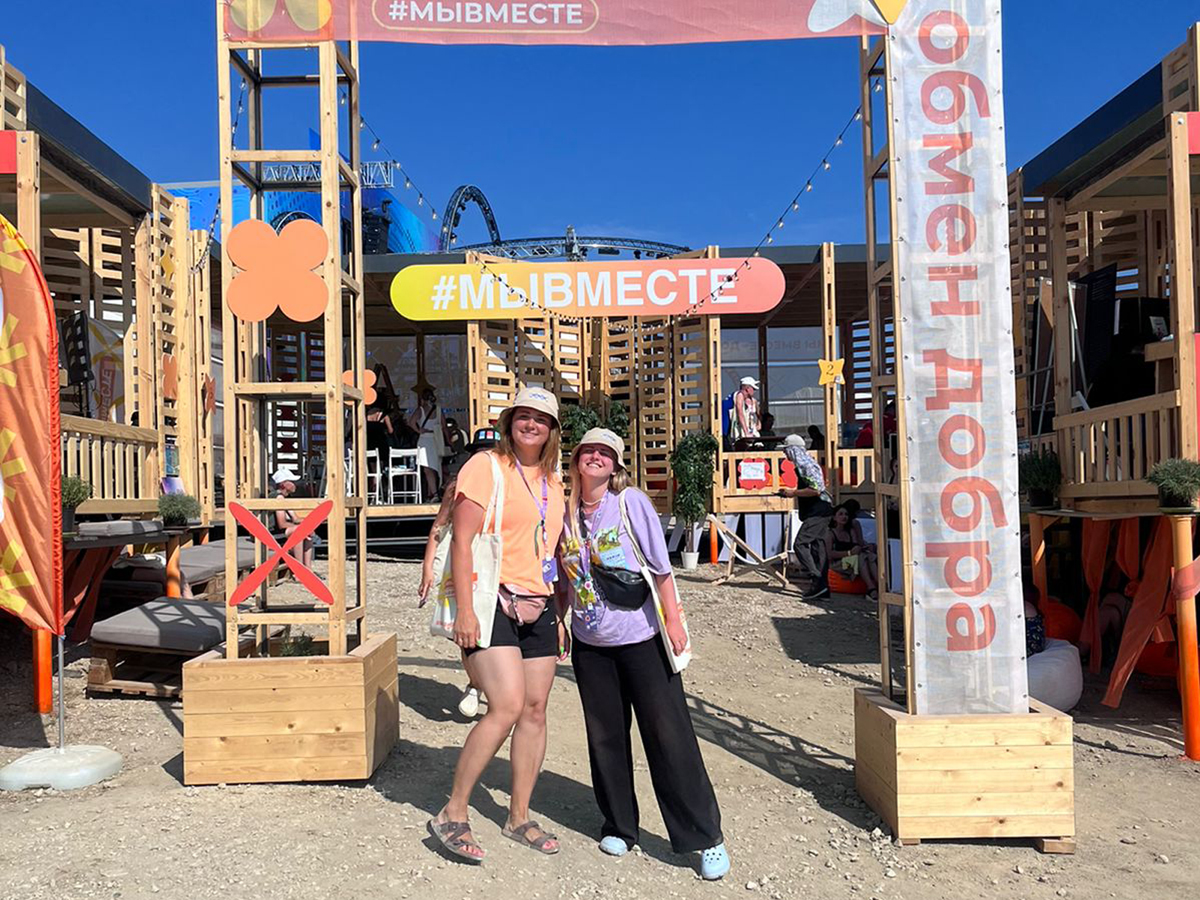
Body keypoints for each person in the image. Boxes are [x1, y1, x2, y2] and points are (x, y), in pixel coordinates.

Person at [559, 428, 728, 880]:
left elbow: (660, 566)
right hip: (591, 644)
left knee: (669, 735)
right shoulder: (564, 510)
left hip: (641, 637)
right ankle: (619, 824)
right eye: (588, 451)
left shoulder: (629, 502)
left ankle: (704, 836)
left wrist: (673, 621)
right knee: (605, 737)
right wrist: (559, 619)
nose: (595, 457)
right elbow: (562, 575)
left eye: (605, 452)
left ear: (616, 464)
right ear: (576, 459)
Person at [427, 386, 567, 863]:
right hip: (492, 602)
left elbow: (551, 552)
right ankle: (453, 811)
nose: (531, 424)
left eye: (541, 419)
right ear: (509, 423)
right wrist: (465, 611)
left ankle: (518, 816)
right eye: (523, 416)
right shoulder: (485, 467)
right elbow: (462, 541)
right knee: (505, 706)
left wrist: (560, 613)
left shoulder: (554, 481)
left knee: (535, 711)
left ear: (552, 430)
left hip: (539, 604)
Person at [418, 428, 501, 719]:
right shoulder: (459, 486)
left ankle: (489, 689)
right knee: (464, 630)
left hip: (497, 565)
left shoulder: (510, 484)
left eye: (491, 450)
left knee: (494, 629)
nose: (486, 456)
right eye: (480, 451)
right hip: (463, 564)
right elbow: (439, 526)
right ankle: (476, 683)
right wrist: (428, 568)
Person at [780, 434, 833, 600]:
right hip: (821, 510)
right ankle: (822, 589)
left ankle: (816, 577)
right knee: (818, 549)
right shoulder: (806, 463)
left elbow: (815, 490)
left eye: (786, 450)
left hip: (818, 511)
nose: (784, 454)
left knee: (800, 544)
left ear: (793, 450)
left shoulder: (805, 465)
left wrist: (793, 493)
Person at [826, 502, 878, 599]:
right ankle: (872, 587)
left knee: (868, 556)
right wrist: (848, 553)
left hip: (853, 559)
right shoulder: (830, 533)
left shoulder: (850, 531)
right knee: (861, 557)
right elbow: (829, 554)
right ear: (834, 517)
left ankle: (878, 585)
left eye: (846, 514)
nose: (844, 517)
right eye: (840, 514)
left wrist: (864, 547)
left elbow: (857, 545)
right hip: (838, 563)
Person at [409, 385, 448, 501]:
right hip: (435, 439)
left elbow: (411, 422)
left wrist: (419, 430)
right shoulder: (438, 410)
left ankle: (434, 493)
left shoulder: (421, 410)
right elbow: (444, 426)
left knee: (427, 468)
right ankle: (434, 492)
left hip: (425, 439)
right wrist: (448, 440)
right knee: (435, 467)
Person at [272, 466, 314, 569]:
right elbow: (281, 524)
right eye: (291, 481)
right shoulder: (278, 497)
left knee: (307, 531)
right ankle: (299, 569)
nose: (295, 484)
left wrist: (309, 524)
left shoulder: (286, 497)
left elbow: (295, 518)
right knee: (299, 532)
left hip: (283, 531)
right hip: (272, 533)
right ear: (283, 484)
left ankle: (308, 569)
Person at [729, 376, 760, 444]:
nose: (754, 391)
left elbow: (759, 413)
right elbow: (740, 414)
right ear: (747, 389)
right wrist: (746, 432)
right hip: (740, 430)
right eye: (753, 388)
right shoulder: (739, 396)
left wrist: (759, 422)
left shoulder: (753, 400)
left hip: (751, 429)